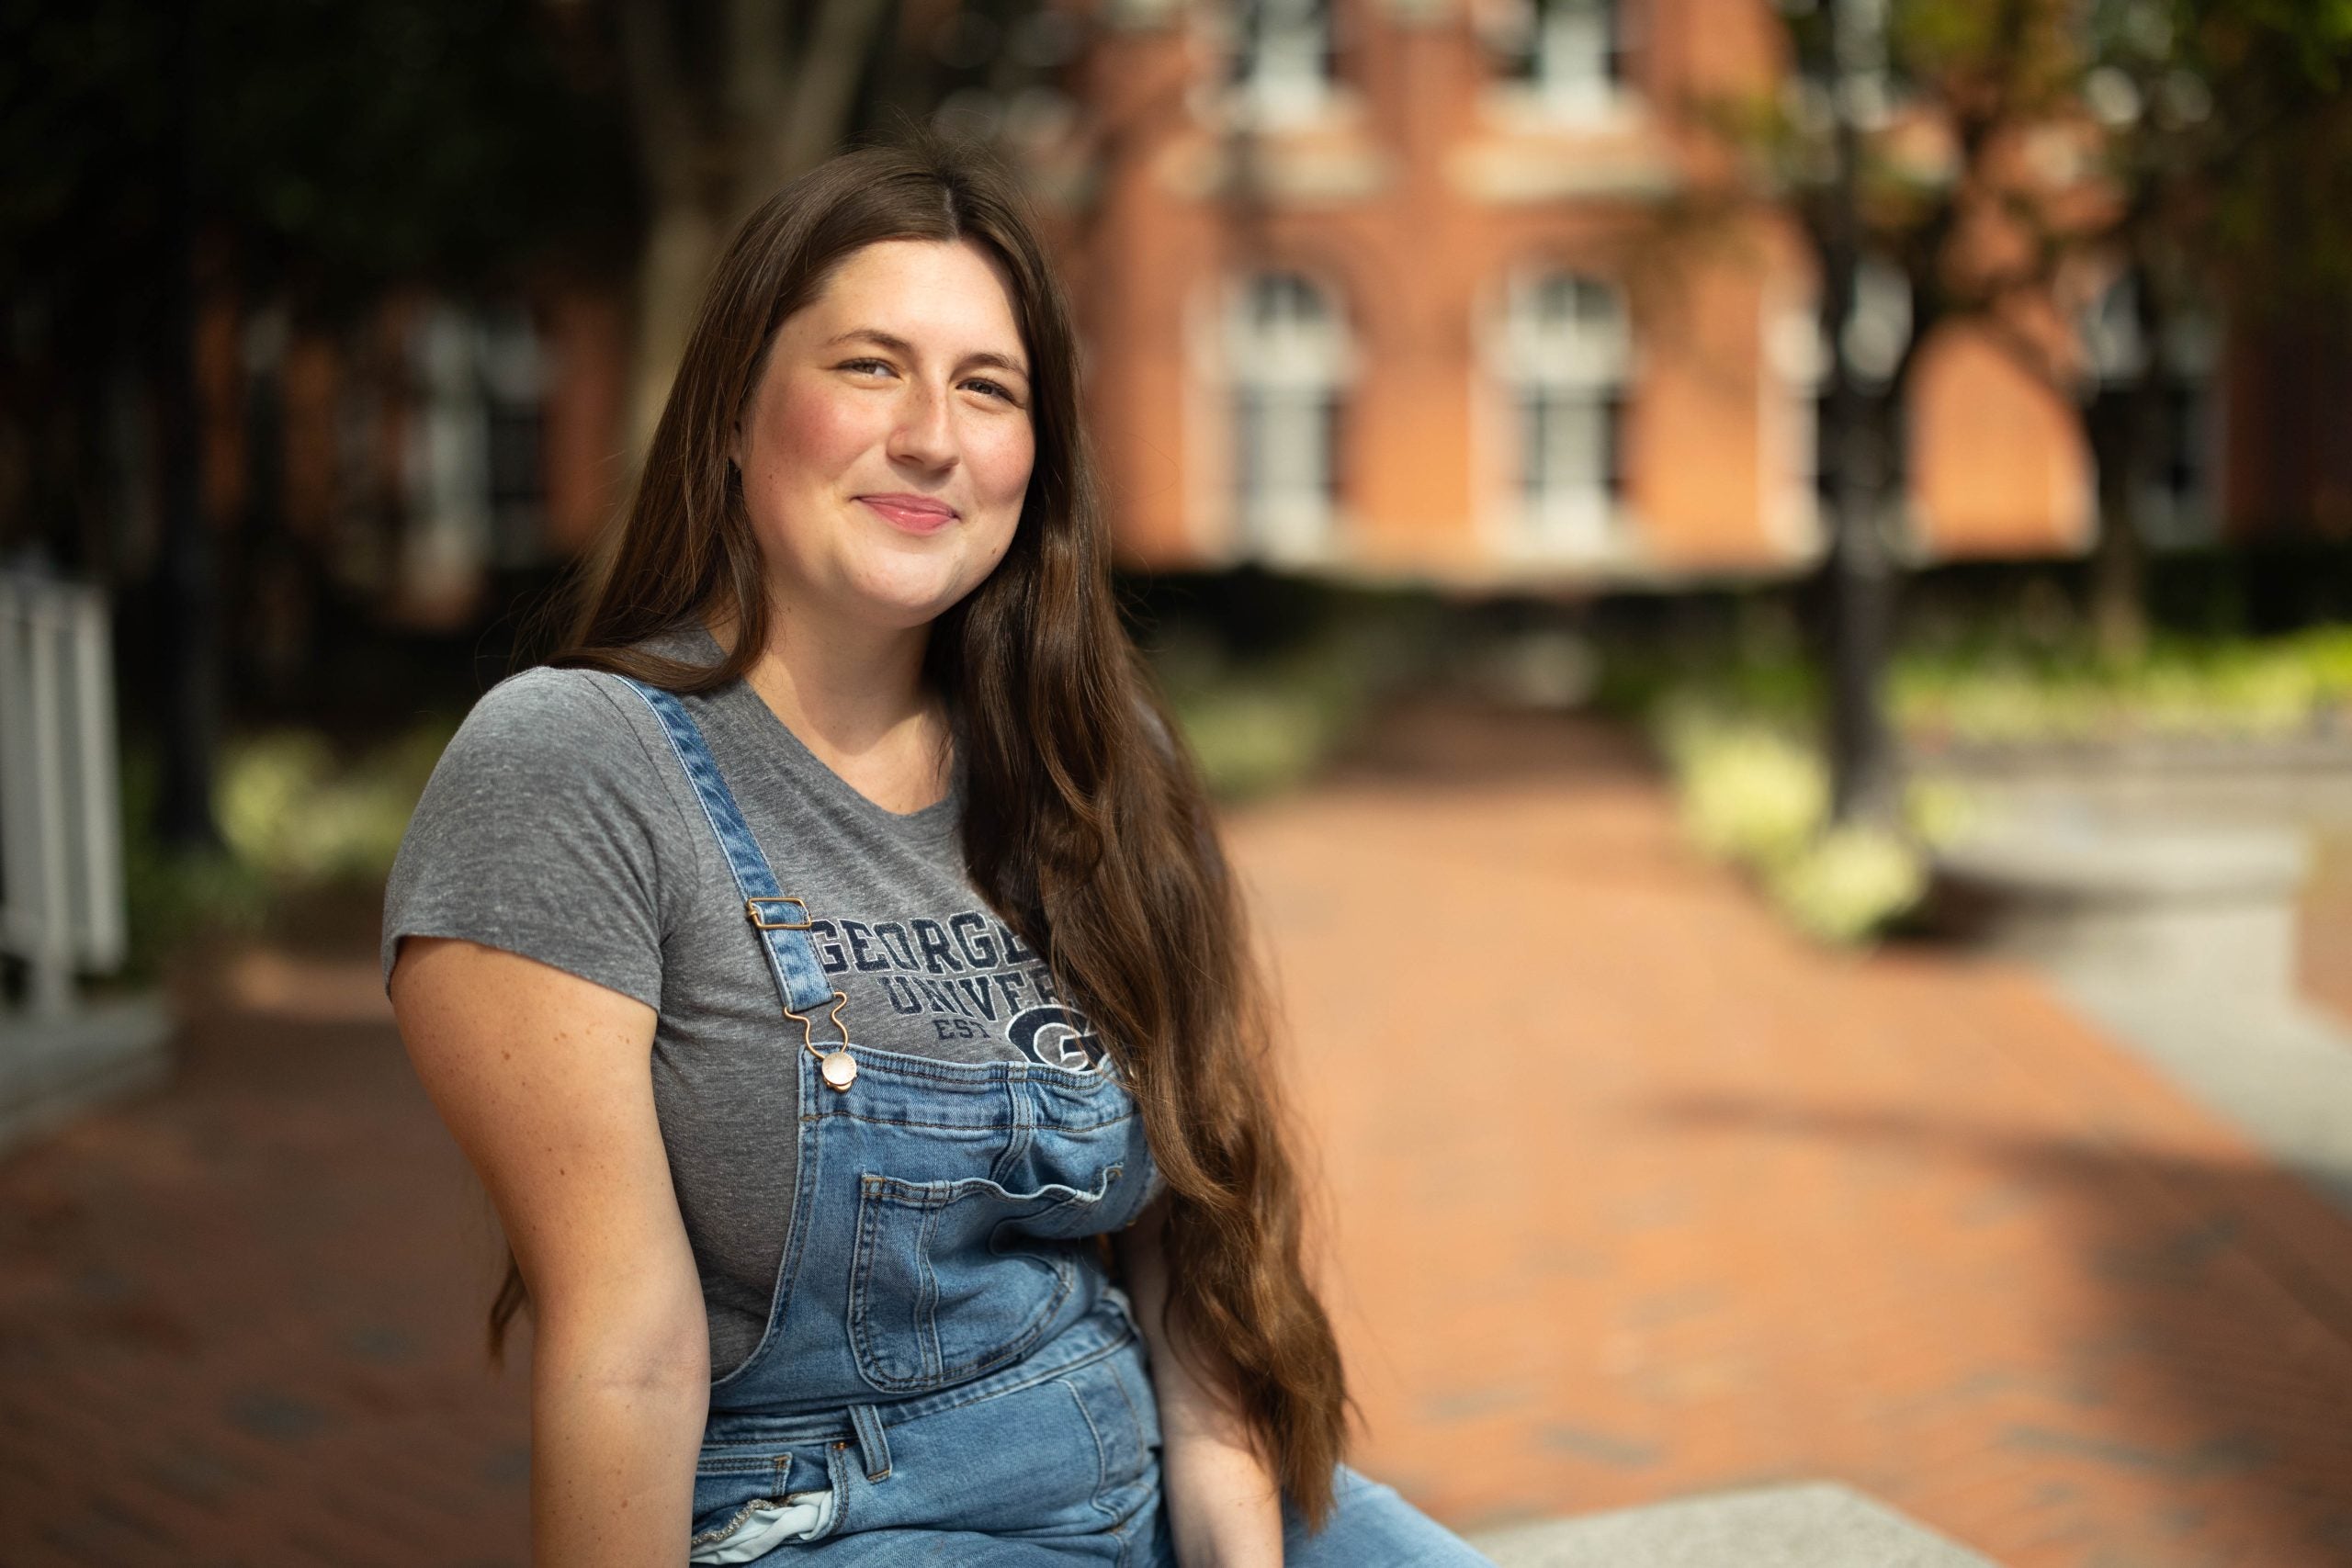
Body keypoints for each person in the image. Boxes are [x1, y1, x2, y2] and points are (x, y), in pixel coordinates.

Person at [383, 133, 1494, 1566]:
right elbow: (627, 1351)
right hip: (836, 1522)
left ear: (1036, 460)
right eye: (869, 366)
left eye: (989, 387)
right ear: (733, 411)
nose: (932, 434)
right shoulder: (576, 767)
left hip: (1142, 1473)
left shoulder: (1098, 769)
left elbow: (1193, 1274)